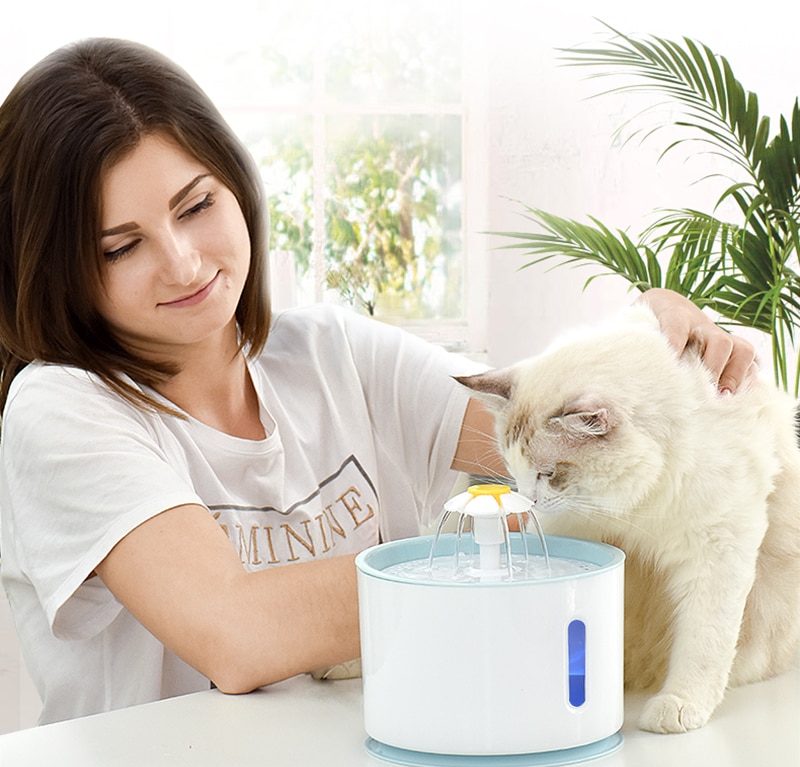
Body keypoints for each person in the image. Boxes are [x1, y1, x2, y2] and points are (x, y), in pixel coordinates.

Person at [0, 38, 756, 725]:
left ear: (236, 185)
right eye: (120, 247)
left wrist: (649, 369)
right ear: (54, 270)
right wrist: (475, 561)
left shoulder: (335, 355)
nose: (184, 262)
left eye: (196, 205)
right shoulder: (60, 409)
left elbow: (551, 443)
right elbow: (238, 636)